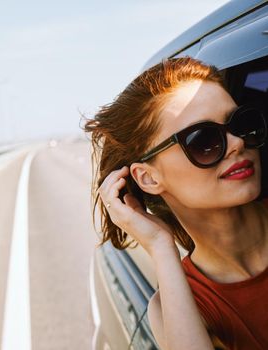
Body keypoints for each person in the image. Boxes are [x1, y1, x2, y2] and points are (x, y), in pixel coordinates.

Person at [84, 57, 268, 349]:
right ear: (148, 178)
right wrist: (160, 246)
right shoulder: (179, 305)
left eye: (241, 124)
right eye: (204, 140)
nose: (237, 143)